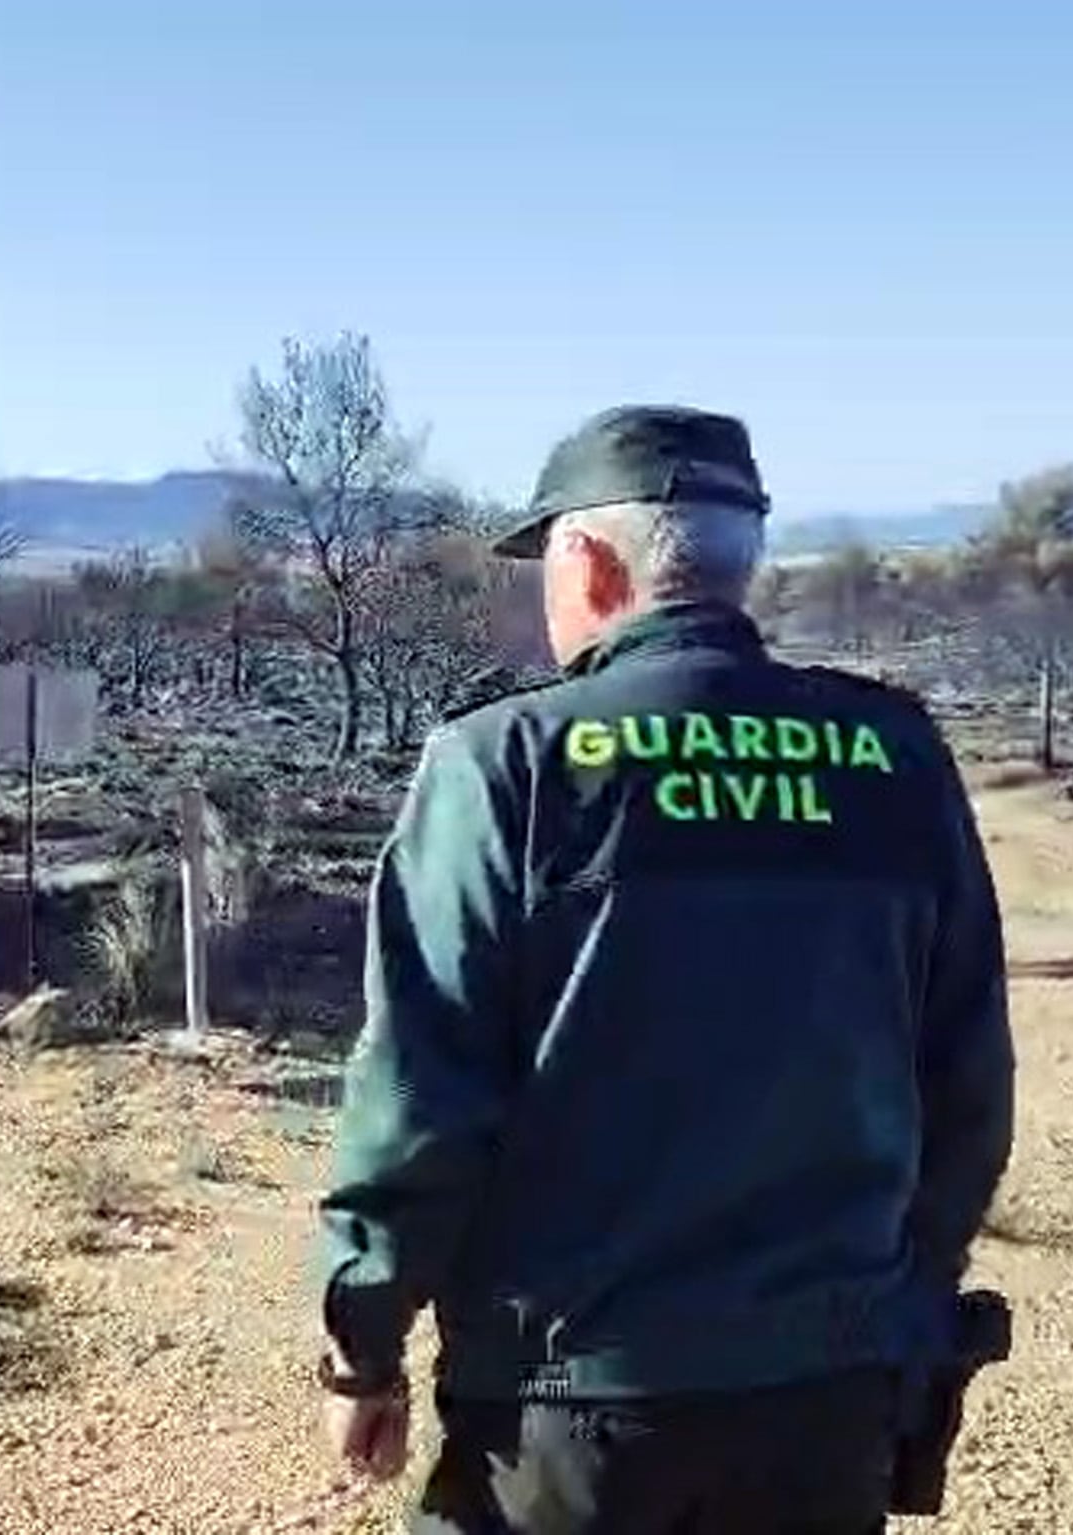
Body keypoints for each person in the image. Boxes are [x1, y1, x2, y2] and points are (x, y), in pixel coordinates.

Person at [313, 405, 1015, 1533]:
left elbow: (421, 1092)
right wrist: (889, 1303)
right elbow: (966, 1076)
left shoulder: (507, 762)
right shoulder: (891, 753)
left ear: (587, 563)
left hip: (571, 1401)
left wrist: (365, 1343)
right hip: (824, 1397)